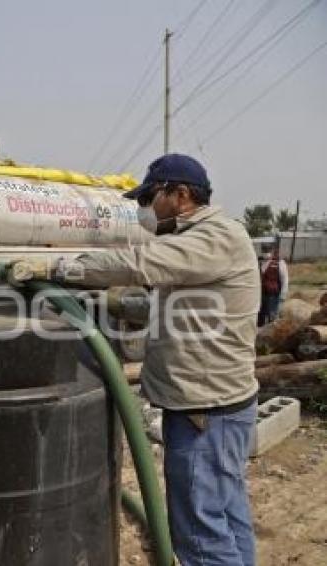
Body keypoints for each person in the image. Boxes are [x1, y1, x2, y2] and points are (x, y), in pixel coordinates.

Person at [33, 154, 260, 565]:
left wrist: (60, 268)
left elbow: (140, 263)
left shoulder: (215, 237)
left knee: (200, 535)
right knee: (225, 513)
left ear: (180, 194)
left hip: (205, 411)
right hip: (217, 409)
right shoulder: (200, 245)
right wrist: (108, 301)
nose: (144, 209)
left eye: (150, 197)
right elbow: (171, 304)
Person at [257, 245, 288, 326]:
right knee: (260, 315)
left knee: (272, 316)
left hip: (273, 294)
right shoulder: (260, 262)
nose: (266, 254)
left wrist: (283, 294)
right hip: (260, 293)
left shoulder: (279, 262)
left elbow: (284, 279)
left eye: (268, 251)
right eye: (264, 251)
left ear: (272, 251)